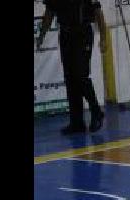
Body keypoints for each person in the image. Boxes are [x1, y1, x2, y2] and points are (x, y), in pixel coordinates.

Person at [36, 0, 107, 134]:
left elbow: (98, 12)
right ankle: (77, 122)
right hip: (65, 35)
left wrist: (103, 38)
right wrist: (42, 35)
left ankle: (96, 111)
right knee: (70, 78)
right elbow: (49, 13)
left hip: (83, 34)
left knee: (81, 75)